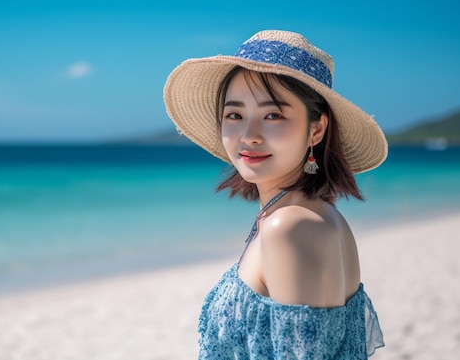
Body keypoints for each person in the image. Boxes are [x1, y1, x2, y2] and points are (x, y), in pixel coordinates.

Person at [163, 30, 386, 359]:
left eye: (273, 115)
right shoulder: (320, 215)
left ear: (316, 129)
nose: (249, 135)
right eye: (235, 115)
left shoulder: (289, 227)